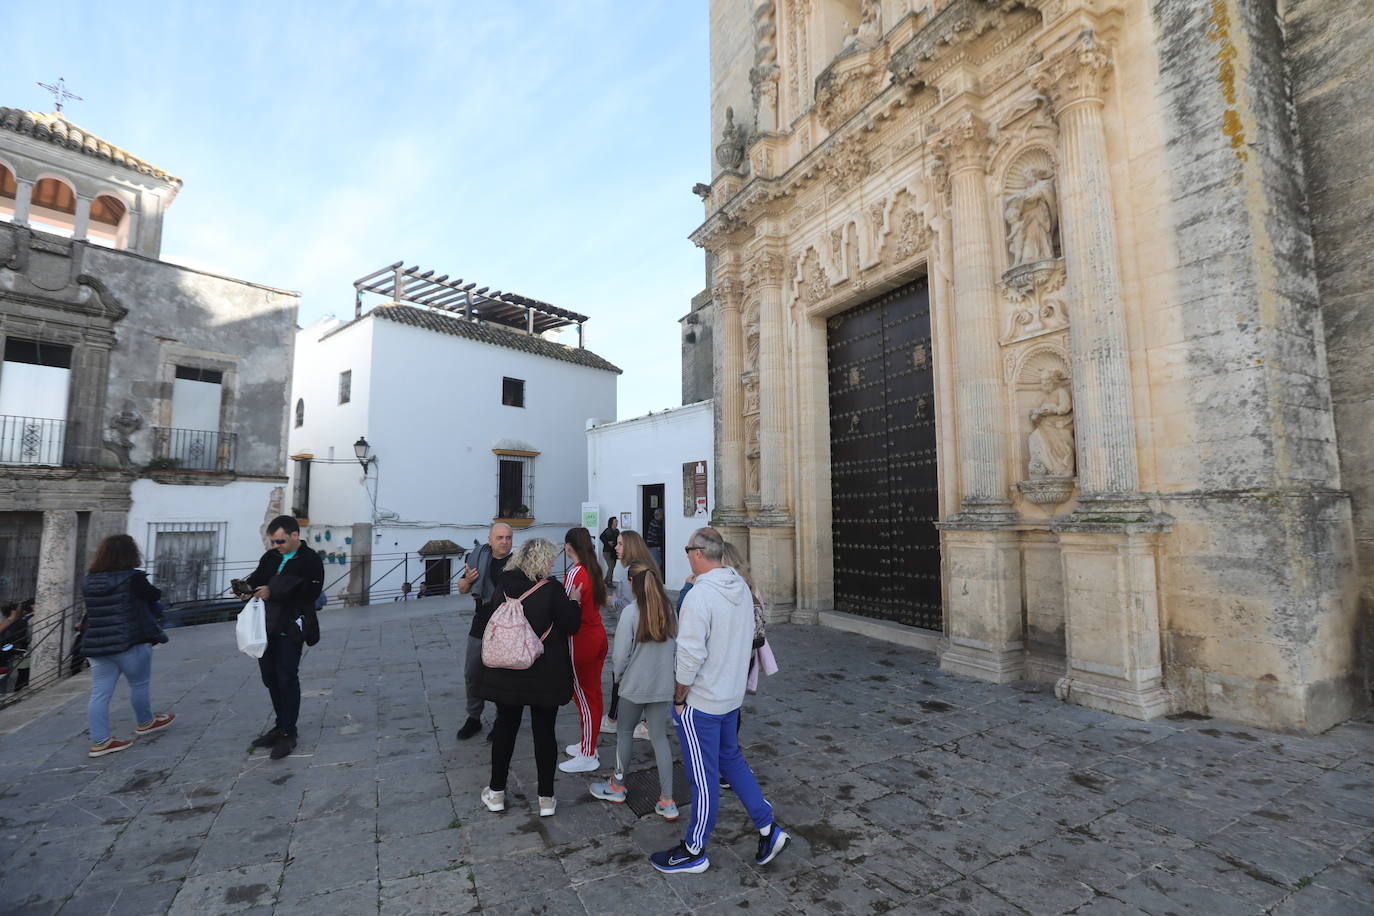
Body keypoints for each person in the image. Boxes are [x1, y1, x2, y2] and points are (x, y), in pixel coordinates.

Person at [651, 527, 788, 875]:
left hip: (703, 702)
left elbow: (690, 656)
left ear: (697, 553)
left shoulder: (700, 596)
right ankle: (768, 827)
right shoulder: (739, 586)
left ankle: (694, 849)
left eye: (686, 549)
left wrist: (679, 699)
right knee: (733, 762)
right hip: (730, 696)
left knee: (703, 776)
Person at [479, 537, 582, 817]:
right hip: (543, 673)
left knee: (505, 729)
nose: (552, 563)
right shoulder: (551, 589)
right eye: (549, 558)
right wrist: (575, 603)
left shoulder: (504, 583)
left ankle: (497, 792)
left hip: (507, 671)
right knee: (544, 733)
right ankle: (546, 799)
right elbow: (571, 625)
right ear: (541, 560)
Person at [589, 557, 680, 820]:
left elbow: (620, 655)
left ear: (632, 583)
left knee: (625, 732)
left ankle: (617, 785)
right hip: (662, 684)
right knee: (660, 739)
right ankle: (667, 799)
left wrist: (619, 678)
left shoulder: (631, 612)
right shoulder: (668, 609)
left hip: (633, 685)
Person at [235, 515, 324, 761]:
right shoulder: (270, 557)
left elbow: (312, 591)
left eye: (280, 541)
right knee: (270, 678)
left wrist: (274, 591)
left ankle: (289, 731)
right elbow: (258, 577)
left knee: (287, 677)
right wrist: (246, 589)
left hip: (291, 627)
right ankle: (280, 724)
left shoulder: (310, 560)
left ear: (295, 535)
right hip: (267, 626)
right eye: (273, 542)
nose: (277, 546)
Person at [81, 535, 174, 758]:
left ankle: (100, 741)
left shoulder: (89, 580)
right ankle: (145, 722)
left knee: (100, 694)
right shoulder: (133, 578)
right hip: (129, 640)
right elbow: (154, 595)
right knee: (139, 684)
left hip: (97, 644)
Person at [456, 523, 514, 741]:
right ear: (490, 539)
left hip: (506, 628)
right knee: (472, 672)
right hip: (481, 623)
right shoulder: (478, 558)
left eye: (508, 537)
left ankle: (501, 721)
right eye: (499, 537)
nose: (504, 542)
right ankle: (473, 718)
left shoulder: (517, 564)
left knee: (502, 677)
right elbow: (462, 588)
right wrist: (469, 580)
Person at [559, 527, 609, 774]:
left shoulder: (575, 573)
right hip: (597, 634)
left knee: (583, 696)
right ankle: (589, 742)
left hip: (581, 640)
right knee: (594, 693)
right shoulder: (594, 569)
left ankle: (588, 753)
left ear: (569, 547)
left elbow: (567, 609)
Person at [599, 517, 620, 587]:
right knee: (611, 566)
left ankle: (605, 580)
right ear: (611, 523)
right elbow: (601, 537)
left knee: (612, 566)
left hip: (614, 552)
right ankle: (609, 582)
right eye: (615, 521)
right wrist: (607, 542)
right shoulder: (607, 530)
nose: (617, 523)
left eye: (617, 521)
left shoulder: (617, 531)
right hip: (607, 552)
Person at [645, 508, 666, 574]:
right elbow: (656, 536)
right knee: (657, 564)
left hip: (651, 545)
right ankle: (656, 579)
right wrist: (658, 546)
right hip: (654, 546)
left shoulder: (653, 522)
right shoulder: (656, 524)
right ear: (659, 515)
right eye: (662, 515)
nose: (662, 517)